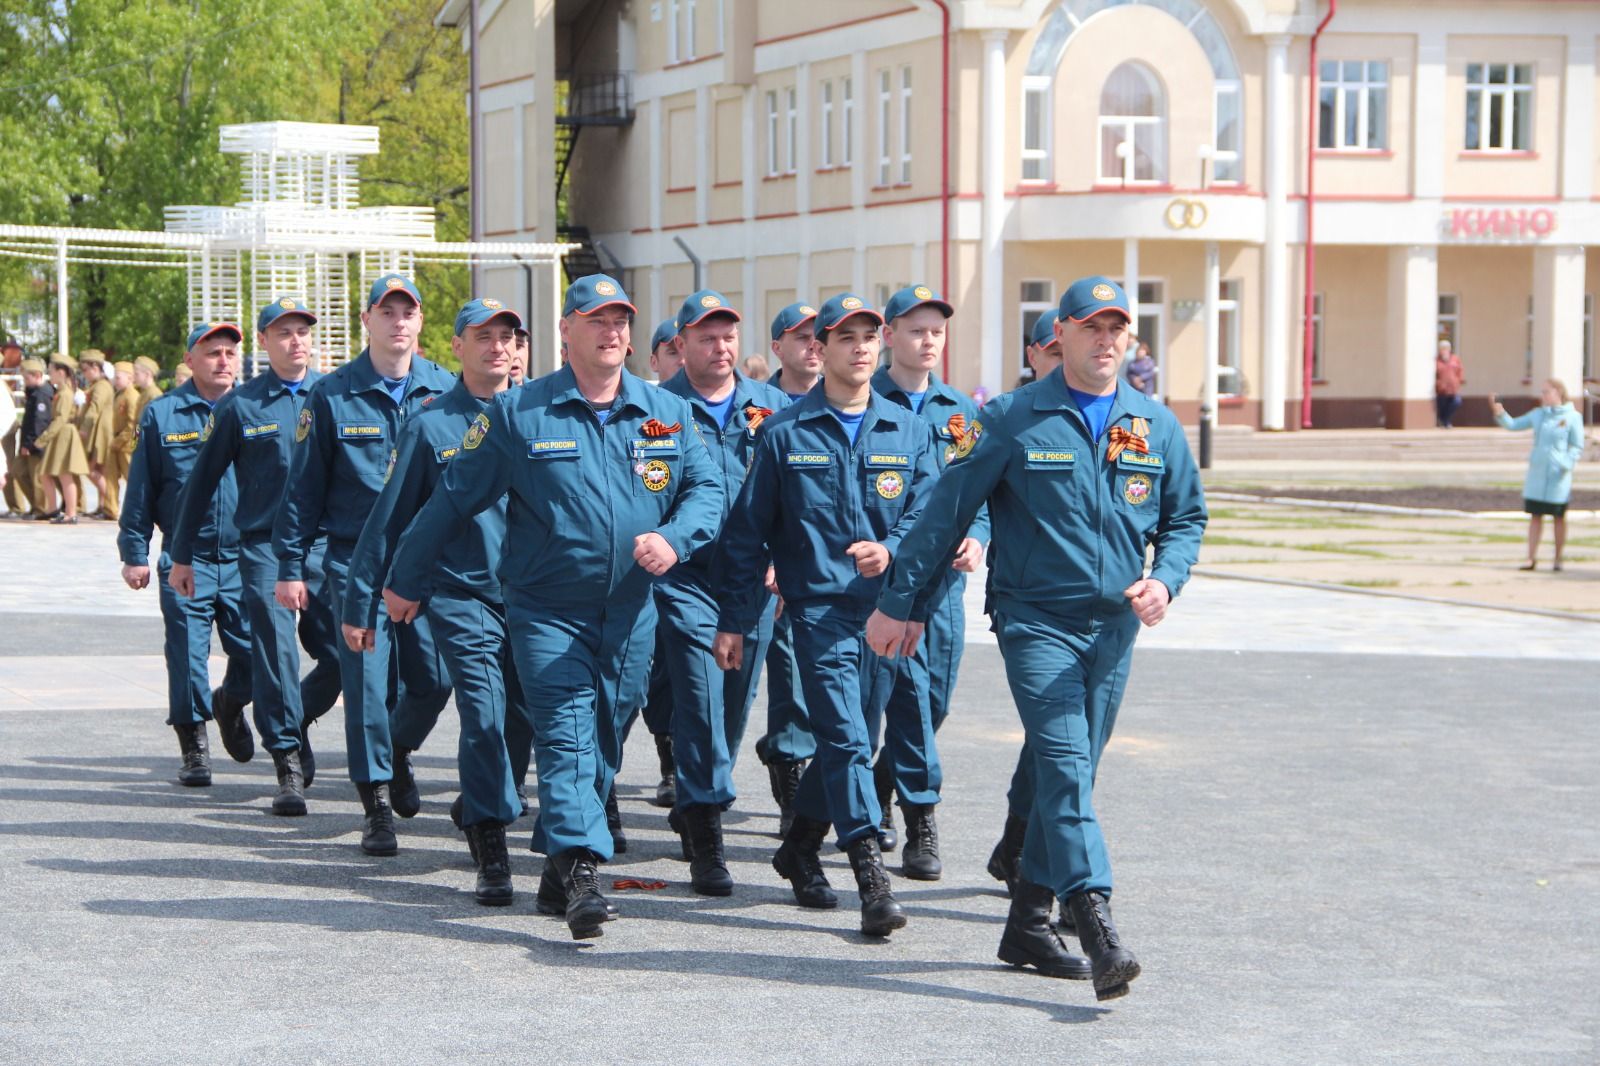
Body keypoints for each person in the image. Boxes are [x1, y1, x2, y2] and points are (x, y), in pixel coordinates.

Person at [865, 276, 1207, 1001]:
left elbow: (1185, 520)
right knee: (1062, 760)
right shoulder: (1015, 418)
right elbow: (944, 516)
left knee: (1071, 775)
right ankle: (1096, 915)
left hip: (1114, 626)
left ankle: (1026, 921)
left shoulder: (1155, 424)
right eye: (1091, 328)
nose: (1106, 340)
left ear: (1131, 340)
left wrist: (1166, 580)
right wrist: (900, 602)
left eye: (1118, 328)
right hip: (1036, 622)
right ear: (1062, 338)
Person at [382, 274, 723, 939]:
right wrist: (405, 578)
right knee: (566, 736)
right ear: (566, 331)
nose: (613, 331)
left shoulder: (664, 413)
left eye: (622, 319)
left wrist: (674, 539)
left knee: (602, 741)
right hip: (547, 612)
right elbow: (454, 499)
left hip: (631, 613)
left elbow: (707, 490)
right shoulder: (520, 414)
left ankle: (553, 871)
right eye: (597, 319)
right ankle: (584, 873)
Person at [713, 292, 939, 938]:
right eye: (846, 338)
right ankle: (871, 873)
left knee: (856, 741)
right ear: (823, 350)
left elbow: (929, 513)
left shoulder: (911, 431)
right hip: (817, 614)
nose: (861, 348)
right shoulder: (784, 434)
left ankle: (799, 845)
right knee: (842, 738)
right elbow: (745, 534)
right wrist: (734, 618)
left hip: (886, 615)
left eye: (870, 337)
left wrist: (892, 550)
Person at [346, 297, 532, 906]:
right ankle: (491, 843)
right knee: (481, 714)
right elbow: (390, 517)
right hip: (462, 593)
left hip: (535, 595)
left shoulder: (540, 415)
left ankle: (482, 799)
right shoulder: (430, 424)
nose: (498, 346)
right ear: (455, 345)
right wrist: (360, 600)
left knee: (522, 721)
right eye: (483, 335)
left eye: (508, 335)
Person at [272, 273, 456, 856]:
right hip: (355, 563)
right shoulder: (333, 394)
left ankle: (398, 749)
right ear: (367, 321)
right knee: (368, 684)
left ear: (420, 323)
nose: (399, 321)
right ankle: (375, 798)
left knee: (433, 679)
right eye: (387, 311)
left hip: (425, 560)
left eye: (409, 312)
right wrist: (291, 565)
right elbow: (302, 491)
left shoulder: (445, 390)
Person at [168, 298, 342, 817]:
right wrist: (181, 556)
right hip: (265, 547)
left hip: (323, 546)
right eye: (284, 332)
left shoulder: (333, 397)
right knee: (276, 653)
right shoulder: (241, 406)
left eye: (303, 331)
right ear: (264, 343)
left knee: (342, 654)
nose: (296, 341)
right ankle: (286, 759)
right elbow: (199, 486)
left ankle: (283, 713)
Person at [654, 290, 791, 894]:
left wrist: (787, 557)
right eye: (707, 337)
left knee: (734, 705)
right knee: (701, 696)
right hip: (686, 578)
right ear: (680, 346)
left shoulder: (776, 408)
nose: (721, 347)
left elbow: (801, 494)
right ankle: (708, 833)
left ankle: (699, 796)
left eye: (729, 335)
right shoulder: (656, 411)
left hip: (752, 582)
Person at [867, 284, 988, 878]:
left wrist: (978, 536)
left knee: (933, 701)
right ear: (889, 336)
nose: (929, 340)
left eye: (937, 330)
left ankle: (882, 780)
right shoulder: (864, 399)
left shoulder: (960, 412)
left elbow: (982, 487)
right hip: (884, 588)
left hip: (942, 590)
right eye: (916, 330)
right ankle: (919, 818)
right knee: (908, 703)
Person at [118, 323, 255, 788]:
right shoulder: (162, 414)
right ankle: (194, 744)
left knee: (257, 653)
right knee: (187, 657)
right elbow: (141, 490)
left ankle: (231, 703)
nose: (222, 360)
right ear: (190, 359)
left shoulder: (258, 408)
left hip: (247, 559)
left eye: (229, 352)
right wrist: (134, 552)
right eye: (212, 352)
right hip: (186, 559)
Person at [754, 303, 822, 835]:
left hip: (842, 570)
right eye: (801, 337)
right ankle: (792, 775)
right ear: (778, 347)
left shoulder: (863, 402)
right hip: (780, 568)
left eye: (819, 335)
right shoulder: (764, 412)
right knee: (792, 676)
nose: (814, 345)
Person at [1490, 380, 1585, 572]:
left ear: (1558, 392)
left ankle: (1558, 558)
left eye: (1546, 392)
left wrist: (1566, 463)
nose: (1543, 396)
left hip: (1558, 476)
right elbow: (1514, 425)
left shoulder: (1572, 417)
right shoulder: (1538, 415)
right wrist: (1500, 412)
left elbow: (1576, 445)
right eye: (1542, 392)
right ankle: (1530, 558)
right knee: (1535, 516)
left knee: (1558, 517)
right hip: (1537, 474)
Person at [37, 355, 89, 524]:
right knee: (46, 473)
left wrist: (44, 438)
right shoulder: (62, 391)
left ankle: (71, 512)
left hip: (64, 434)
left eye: (51, 371)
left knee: (65, 475)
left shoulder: (65, 393)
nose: (49, 375)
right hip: (61, 434)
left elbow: (60, 418)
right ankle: (53, 509)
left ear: (61, 372)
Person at [77, 351, 116, 517]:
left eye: (86, 369)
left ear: (95, 367)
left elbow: (95, 407)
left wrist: (84, 427)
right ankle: (103, 505)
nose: (84, 373)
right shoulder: (97, 385)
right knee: (98, 469)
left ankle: (109, 503)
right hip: (98, 430)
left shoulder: (101, 386)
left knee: (90, 468)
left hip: (100, 431)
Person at [12, 358, 53, 517]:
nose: (24, 382)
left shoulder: (42, 394)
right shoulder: (34, 392)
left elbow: (39, 422)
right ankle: (36, 506)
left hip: (36, 444)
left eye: (26, 378)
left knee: (37, 479)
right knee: (18, 470)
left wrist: (29, 445)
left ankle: (41, 509)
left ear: (37, 375)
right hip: (29, 442)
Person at [106, 361, 140, 524]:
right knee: (111, 477)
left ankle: (140, 509)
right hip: (115, 442)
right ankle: (111, 509)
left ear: (130, 378)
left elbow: (132, 424)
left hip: (126, 444)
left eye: (118, 377)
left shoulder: (132, 396)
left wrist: (119, 441)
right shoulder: (118, 394)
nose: (115, 380)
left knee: (132, 478)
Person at [1435, 340, 1465, 428]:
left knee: (1456, 402)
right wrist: (1438, 383)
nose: (1445, 350)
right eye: (1442, 348)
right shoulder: (1436, 360)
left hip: (1453, 388)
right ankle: (1444, 421)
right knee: (1442, 406)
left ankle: (1445, 420)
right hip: (1441, 389)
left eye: (1446, 348)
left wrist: (1460, 380)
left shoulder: (1455, 359)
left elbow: (1460, 370)